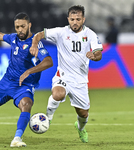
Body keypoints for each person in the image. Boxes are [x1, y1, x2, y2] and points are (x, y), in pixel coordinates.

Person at [0, 12, 53, 147]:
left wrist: (29, 71)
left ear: (29, 25)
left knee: (26, 105)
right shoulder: (13, 38)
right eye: (17, 27)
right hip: (6, 82)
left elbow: (48, 62)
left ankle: (17, 138)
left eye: (22, 26)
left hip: (24, 85)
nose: (20, 30)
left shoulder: (35, 44)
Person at [30, 5, 103, 143]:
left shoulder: (91, 34)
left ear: (83, 19)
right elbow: (39, 34)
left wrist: (94, 55)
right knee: (58, 94)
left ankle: (80, 128)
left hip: (80, 81)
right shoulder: (61, 32)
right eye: (72, 19)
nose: (75, 22)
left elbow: (99, 53)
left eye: (78, 19)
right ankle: (48, 119)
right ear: (68, 19)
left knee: (83, 113)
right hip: (63, 75)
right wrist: (34, 44)